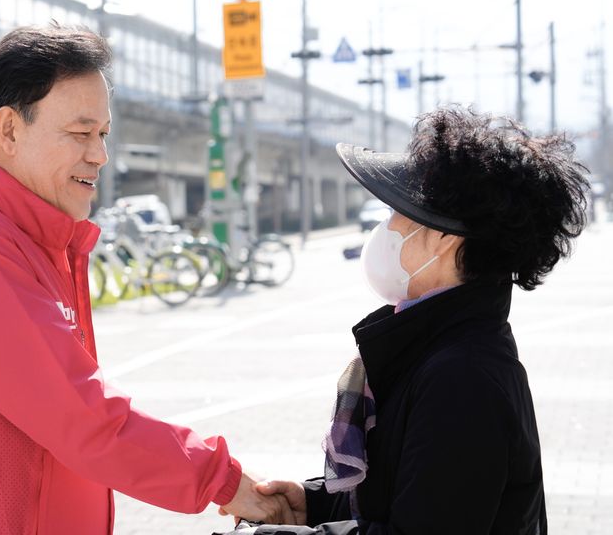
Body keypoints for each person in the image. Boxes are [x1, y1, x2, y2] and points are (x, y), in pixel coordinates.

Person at [0, 25, 282, 534]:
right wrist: (224, 482)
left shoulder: (35, 241)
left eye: (103, 134)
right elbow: (82, 420)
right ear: (9, 130)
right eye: (80, 133)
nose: (99, 155)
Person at [223, 106, 589, 534]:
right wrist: (312, 505)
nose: (386, 227)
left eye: (396, 212)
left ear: (444, 239)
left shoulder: (464, 376)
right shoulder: (436, 345)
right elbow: (408, 490)